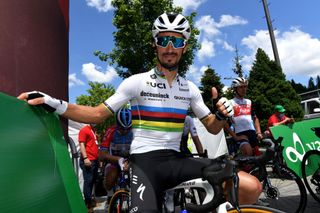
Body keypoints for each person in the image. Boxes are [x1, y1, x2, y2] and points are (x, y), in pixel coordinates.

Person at [18, 12, 262, 212]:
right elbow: (95, 114)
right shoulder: (136, 82)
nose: (169, 47)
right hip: (145, 162)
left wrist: (220, 115)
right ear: (154, 45)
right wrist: (53, 102)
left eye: (176, 41)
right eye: (163, 40)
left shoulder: (189, 88)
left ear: (184, 47)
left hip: (177, 159)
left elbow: (211, 126)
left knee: (250, 186)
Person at [224, 77, 263, 157]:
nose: (244, 89)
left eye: (245, 86)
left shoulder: (249, 102)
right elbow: (224, 123)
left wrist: (258, 132)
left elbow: (255, 118)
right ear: (235, 89)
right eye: (241, 87)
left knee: (257, 158)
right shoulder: (230, 103)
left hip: (252, 134)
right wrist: (235, 137)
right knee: (247, 152)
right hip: (239, 134)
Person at [99, 107, 133, 192]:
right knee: (111, 177)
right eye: (122, 128)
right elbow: (101, 156)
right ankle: (110, 198)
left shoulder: (135, 131)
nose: (125, 131)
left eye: (128, 128)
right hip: (113, 161)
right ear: (117, 125)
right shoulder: (111, 131)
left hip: (131, 161)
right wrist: (119, 160)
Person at [78, 123, 100, 212]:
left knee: (94, 180)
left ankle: (91, 201)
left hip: (94, 160)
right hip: (88, 160)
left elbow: (94, 144)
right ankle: (88, 205)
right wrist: (85, 158)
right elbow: (82, 144)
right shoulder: (84, 130)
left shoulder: (92, 130)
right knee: (88, 182)